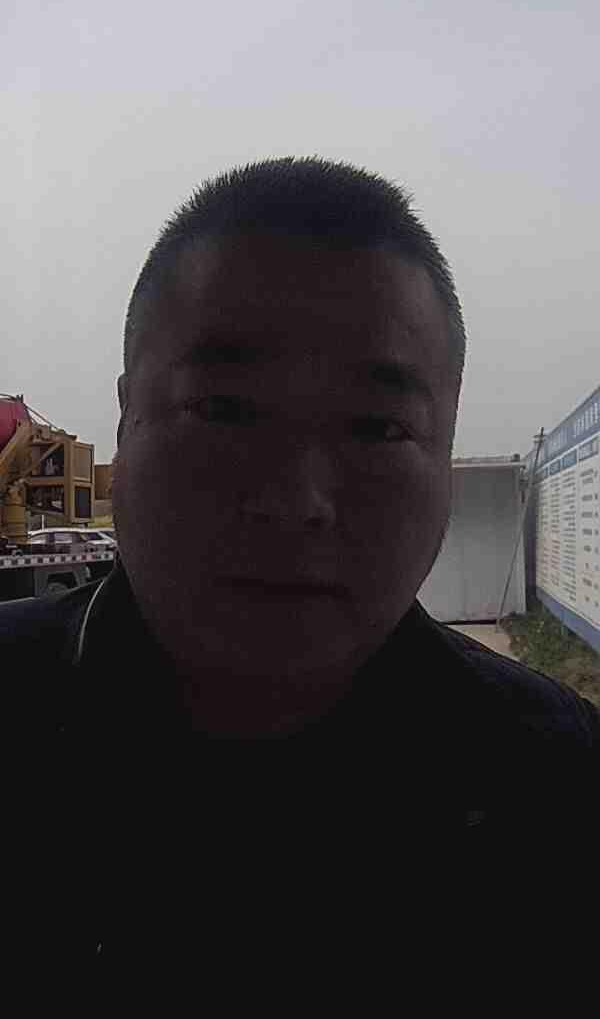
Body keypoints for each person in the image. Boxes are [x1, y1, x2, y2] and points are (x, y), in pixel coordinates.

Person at [2, 158, 598, 843]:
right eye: (223, 410)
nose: (295, 501)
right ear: (125, 417)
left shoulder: (561, 783)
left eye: (378, 428)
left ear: (447, 454)